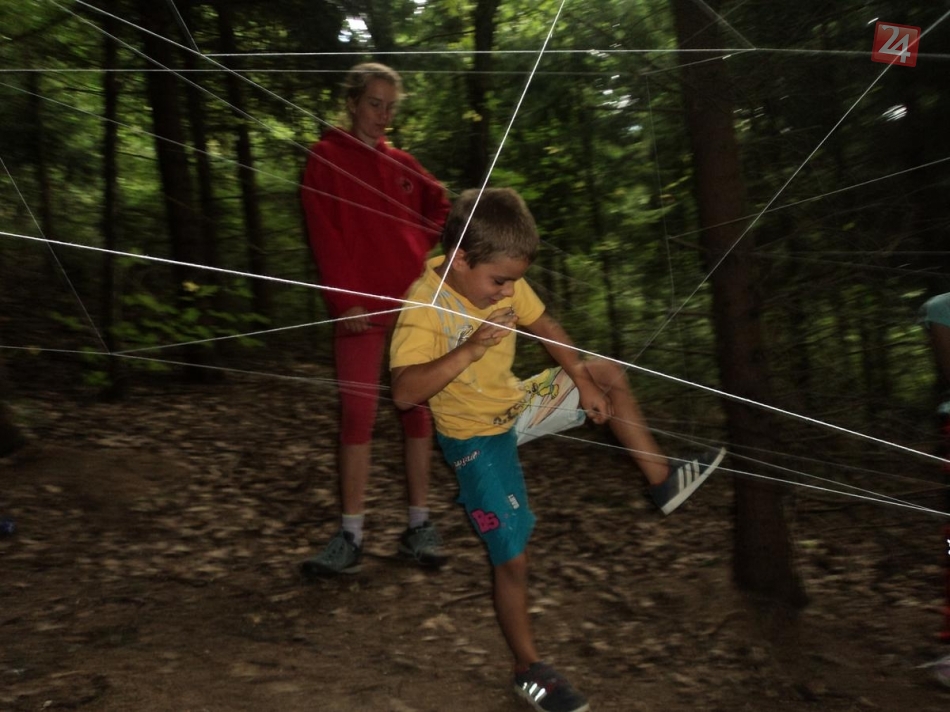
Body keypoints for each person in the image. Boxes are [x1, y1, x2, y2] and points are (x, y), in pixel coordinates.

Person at [389, 187, 725, 712]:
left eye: (513, 282)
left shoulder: (502, 278)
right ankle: (528, 670)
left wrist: (583, 383)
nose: (508, 292)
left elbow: (545, 326)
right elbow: (405, 393)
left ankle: (662, 480)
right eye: (500, 281)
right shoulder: (422, 306)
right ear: (460, 259)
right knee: (513, 556)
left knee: (606, 373)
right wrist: (469, 348)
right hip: (475, 440)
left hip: (517, 404)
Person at [299, 63, 451, 577]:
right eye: (373, 104)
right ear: (352, 103)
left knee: (417, 411)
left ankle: (419, 527)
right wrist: (345, 300)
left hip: (411, 306)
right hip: (359, 311)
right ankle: (350, 535)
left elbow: (441, 206)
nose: (383, 115)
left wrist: (417, 244)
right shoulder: (325, 158)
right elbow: (323, 231)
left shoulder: (404, 164)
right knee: (358, 414)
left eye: (390, 107)